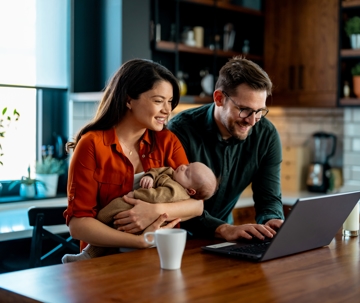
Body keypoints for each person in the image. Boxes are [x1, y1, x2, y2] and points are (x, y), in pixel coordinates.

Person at [63, 59, 204, 260]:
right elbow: (78, 225)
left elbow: (196, 205)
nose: (167, 110)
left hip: (161, 259)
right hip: (104, 265)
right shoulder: (92, 144)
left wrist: (154, 211)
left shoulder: (168, 141)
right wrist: (139, 241)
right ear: (129, 100)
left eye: (170, 101)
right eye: (158, 101)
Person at [167, 56, 284, 241]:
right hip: (178, 240)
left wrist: (272, 220)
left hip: (226, 238)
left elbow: (268, 198)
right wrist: (222, 229)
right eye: (244, 110)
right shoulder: (180, 131)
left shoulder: (266, 135)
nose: (253, 121)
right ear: (219, 98)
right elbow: (172, 201)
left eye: (259, 111)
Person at [62, 162, 217, 263]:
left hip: (140, 218)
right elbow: (159, 171)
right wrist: (150, 175)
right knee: (110, 230)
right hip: (138, 229)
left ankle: (89, 250)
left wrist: (136, 195)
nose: (183, 166)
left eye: (187, 172)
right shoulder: (173, 174)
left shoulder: (175, 191)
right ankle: (87, 255)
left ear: (190, 191)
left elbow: (154, 197)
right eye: (187, 165)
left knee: (109, 218)